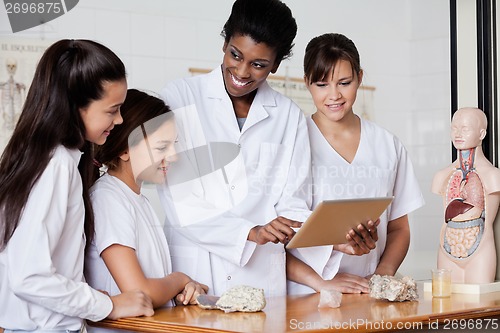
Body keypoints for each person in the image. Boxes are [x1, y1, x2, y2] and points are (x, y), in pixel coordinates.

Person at [157, 0, 313, 298]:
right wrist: (249, 232)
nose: (242, 72)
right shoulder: (180, 96)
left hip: (261, 272)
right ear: (225, 43)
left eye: (258, 65)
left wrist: (321, 234)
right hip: (194, 270)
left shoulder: (289, 115)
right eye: (235, 55)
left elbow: (294, 200)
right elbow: (177, 196)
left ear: (276, 65)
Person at [0, 39, 153, 333]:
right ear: (75, 106)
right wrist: (110, 306)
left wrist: (94, 300)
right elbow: (29, 276)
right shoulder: (55, 165)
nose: (119, 120)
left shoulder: (46, 158)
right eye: (112, 110)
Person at [287, 33, 424, 295]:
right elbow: (276, 240)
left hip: (369, 293)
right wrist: (323, 284)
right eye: (321, 84)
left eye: (344, 82)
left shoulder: (387, 145)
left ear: (360, 78)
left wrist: (381, 277)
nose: (334, 95)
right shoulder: (292, 143)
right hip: (307, 295)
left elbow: (399, 227)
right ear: (306, 83)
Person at [84, 89, 208, 323]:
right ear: (124, 150)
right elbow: (138, 292)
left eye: (174, 145)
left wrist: (184, 289)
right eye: (162, 147)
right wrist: (180, 279)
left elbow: (153, 286)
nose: (173, 156)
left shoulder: (138, 200)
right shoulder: (108, 199)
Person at [432, 107, 500, 284]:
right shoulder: (443, 175)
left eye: (465, 128)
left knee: (478, 307)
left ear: (482, 133)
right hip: (448, 247)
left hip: (480, 248)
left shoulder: (492, 175)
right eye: (454, 128)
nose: (458, 133)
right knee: (447, 306)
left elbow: (488, 223)